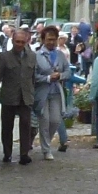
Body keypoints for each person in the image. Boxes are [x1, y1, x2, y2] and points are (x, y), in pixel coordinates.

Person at [0, 23, 37, 163]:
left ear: (27, 41)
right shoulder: (4, 57)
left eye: (22, 42)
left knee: (26, 125)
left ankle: (24, 154)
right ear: (13, 41)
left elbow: (33, 78)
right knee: (7, 126)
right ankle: (7, 153)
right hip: (9, 96)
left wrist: (33, 95)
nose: (20, 44)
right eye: (17, 42)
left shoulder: (32, 57)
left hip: (26, 96)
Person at [33, 23, 71, 158]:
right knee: (44, 120)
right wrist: (48, 78)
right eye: (49, 39)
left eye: (54, 39)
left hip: (56, 92)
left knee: (55, 120)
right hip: (42, 92)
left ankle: (46, 141)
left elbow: (68, 71)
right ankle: (46, 150)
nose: (51, 42)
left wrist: (60, 76)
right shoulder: (37, 55)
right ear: (43, 40)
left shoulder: (60, 55)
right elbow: (34, 75)